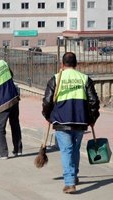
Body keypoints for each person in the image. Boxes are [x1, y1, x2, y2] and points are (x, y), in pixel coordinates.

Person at [42, 52, 100, 194]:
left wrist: (47, 115)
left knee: (67, 150)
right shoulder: (84, 78)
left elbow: (47, 101)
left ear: (62, 64)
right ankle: (74, 176)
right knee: (74, 149)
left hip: (61, 120)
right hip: (80, 121)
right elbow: (94, 102)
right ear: (76, 64)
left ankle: (69, 183)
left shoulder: (56, 79)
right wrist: (92, 119)